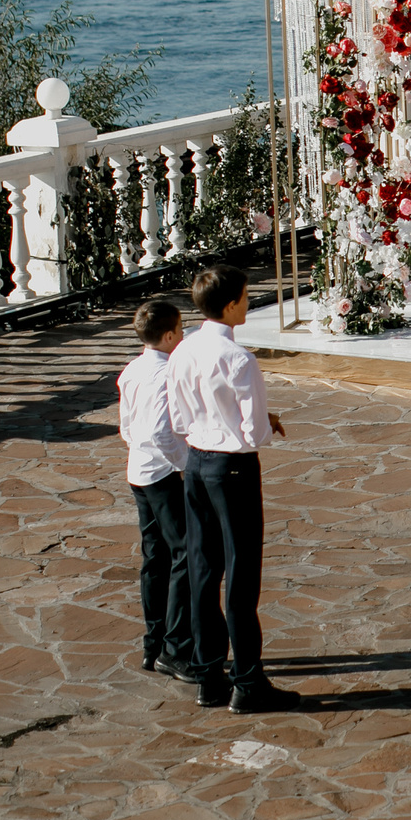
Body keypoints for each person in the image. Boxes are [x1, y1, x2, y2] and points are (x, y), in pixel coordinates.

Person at [166, 264, 301, 713]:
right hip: (234, 470)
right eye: (245, 297)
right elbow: (252, 432)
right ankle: (247, 681)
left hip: (197, 463)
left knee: (204, 572)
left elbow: (180, 418)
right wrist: (266, 424)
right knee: (241, 576)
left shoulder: (183, 350)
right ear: (229, 305)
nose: (248, 302)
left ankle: (209, 676)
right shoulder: (239, 359)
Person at [118, 297, 197, 683]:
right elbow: (161, 432)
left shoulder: (132, 370)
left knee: (155, 557)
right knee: (184, 554)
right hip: (164, 475)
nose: (184, 335)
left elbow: (128, 426)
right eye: (181, 330)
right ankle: (176, 646)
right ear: (168, 336)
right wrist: (184, 464)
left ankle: (153, 643)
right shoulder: (168, 375)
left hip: (139, 471)